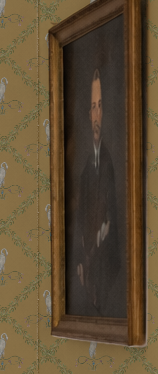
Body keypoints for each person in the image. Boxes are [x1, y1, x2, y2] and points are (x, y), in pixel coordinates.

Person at [76, 68, 120, 315]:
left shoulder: (109, 163)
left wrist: (99, 239)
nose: (96, 114)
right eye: (93, 106)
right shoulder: (84, 168)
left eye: (100, 105)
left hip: (105, 265)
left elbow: (111, 220)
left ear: (104, 112)